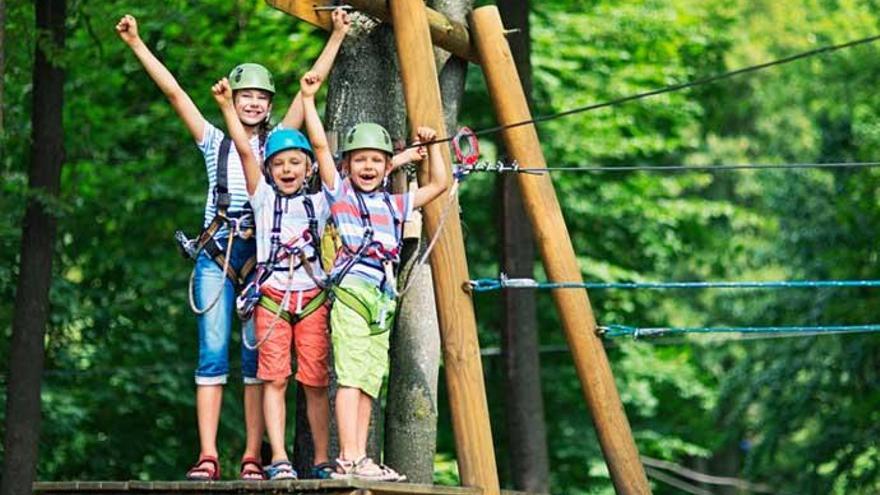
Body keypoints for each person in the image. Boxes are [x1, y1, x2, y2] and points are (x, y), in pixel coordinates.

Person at [115, 10, 351, 480]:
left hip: (264, 261)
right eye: (246, 96)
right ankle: (207, 454)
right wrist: (137, 43)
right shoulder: (216, 142)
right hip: (217, 253)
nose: (253, 103)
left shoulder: (282, 146)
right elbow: (175, 93)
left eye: (261, 97)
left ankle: (251, 455)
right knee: (211, 352)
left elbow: (311, 87)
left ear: (268, 105)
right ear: (234, 99)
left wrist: (340, 34)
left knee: (255, 363)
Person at [300, 70, 448, 480]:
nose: (367, 167)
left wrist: (432, 146)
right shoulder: (340, 193)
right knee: (349, 374)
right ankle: (349, 456)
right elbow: (317, 146)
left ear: (387, 167)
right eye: (360, 160)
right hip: (351, 291)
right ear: (347, 165)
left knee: (369, 378)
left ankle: (361, 456)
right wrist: (309, 100)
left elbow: (439, 183)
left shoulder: (395, 204)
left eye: (376, 161)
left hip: (381, 298)